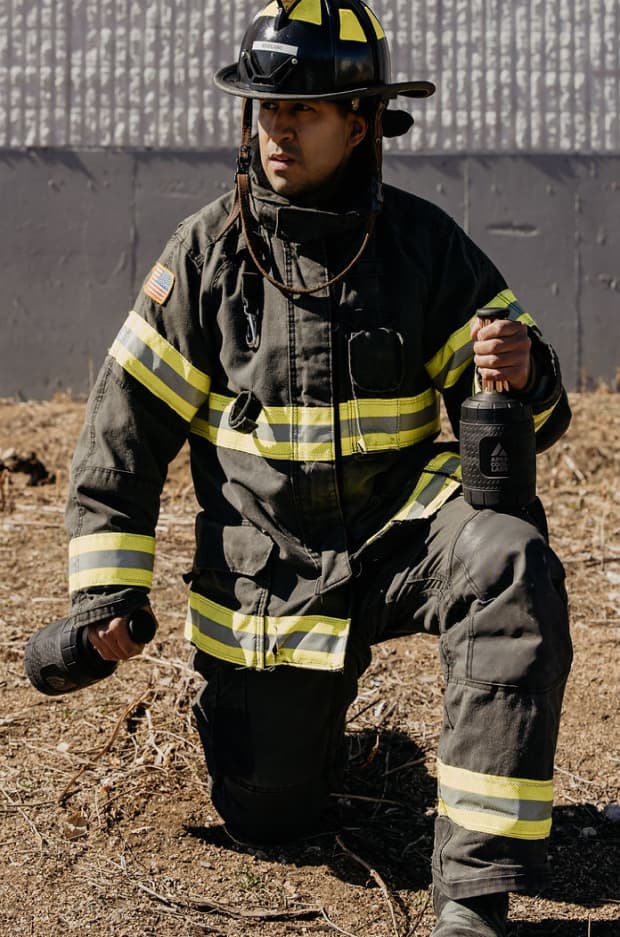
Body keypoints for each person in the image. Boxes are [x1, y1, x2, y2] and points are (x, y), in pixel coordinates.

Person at [64, 2, 572, 934]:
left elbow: (530, 413)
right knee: (273, 815)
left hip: (400, 539)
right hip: (270, 587)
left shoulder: (424, 247)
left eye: (306, 108)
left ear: (365, 120)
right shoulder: (209, 256)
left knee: (510, 559)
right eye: (265, 107)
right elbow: (119, 436)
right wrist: (104, 604)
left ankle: (474, 891)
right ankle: (309, 738)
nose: (278, 127)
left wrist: (524, 370)